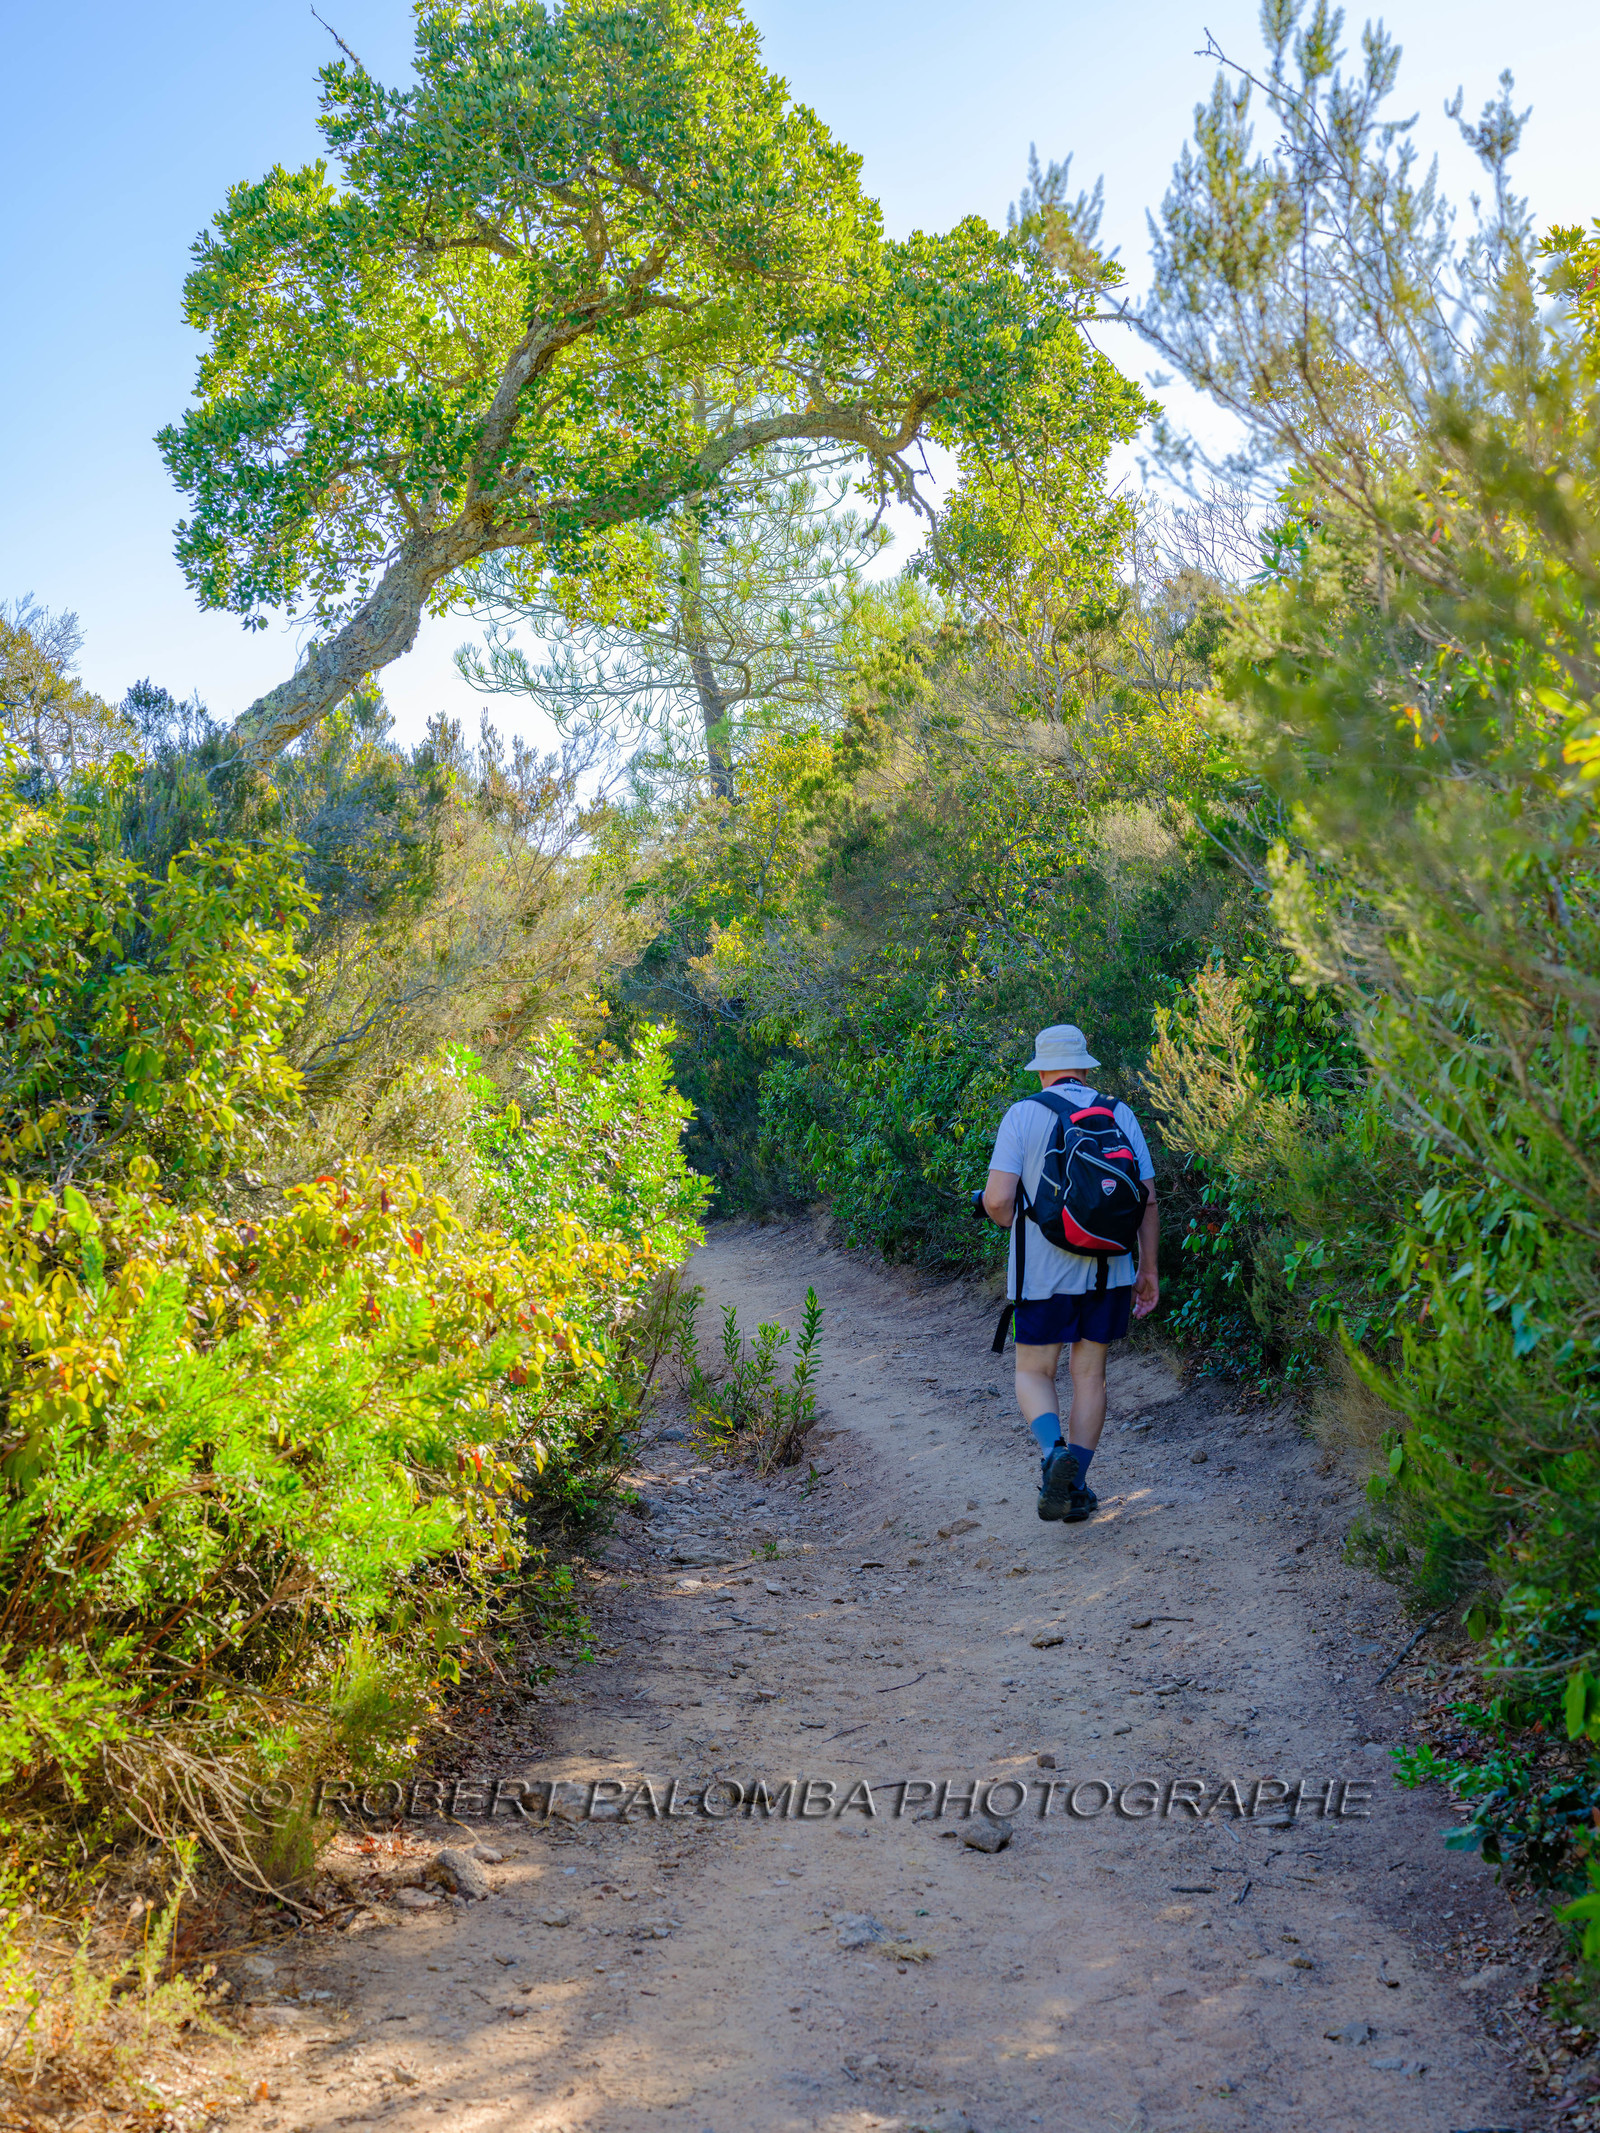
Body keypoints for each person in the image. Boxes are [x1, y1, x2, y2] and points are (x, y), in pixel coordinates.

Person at [982, 1024, 1158, 1523]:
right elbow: (1146, 1198)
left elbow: (998, 1200)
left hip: (1041, 1274)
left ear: (1041, 1071)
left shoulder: (1023, 1114)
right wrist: (1149, 1269)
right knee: (1090, 1377)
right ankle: (1076, 1486)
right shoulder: (1120, 1113)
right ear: (1085, 1066)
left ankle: (1053, 1453)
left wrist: (1014, 1216)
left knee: (1033, 1371)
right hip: (1110, 1271)